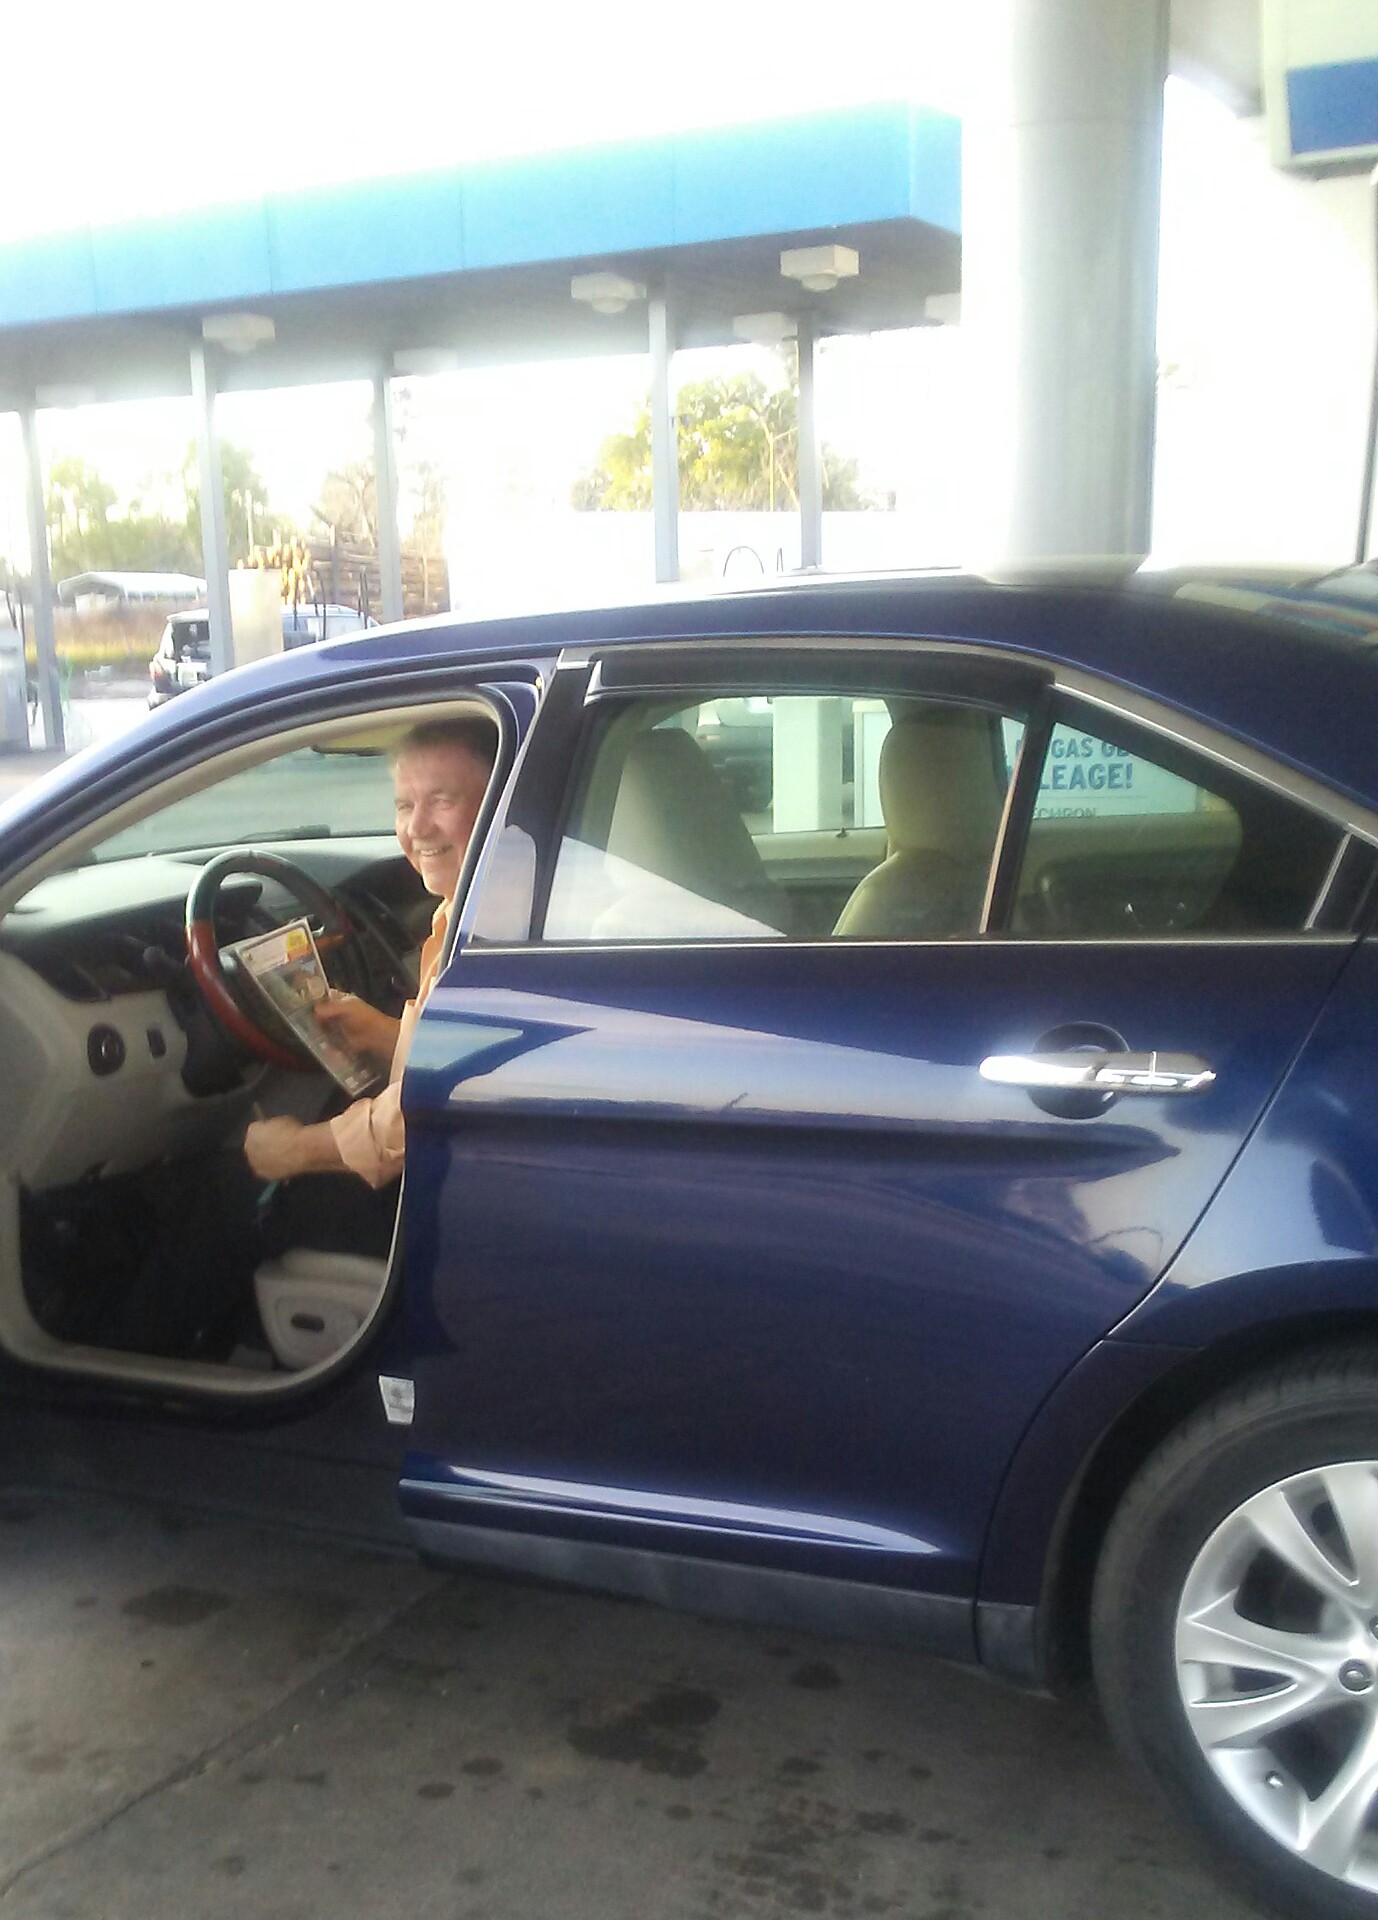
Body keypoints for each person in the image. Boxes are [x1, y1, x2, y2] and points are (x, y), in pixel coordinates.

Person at [243, 714, 496, 1193]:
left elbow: (434, 1104)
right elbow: (467, 1063)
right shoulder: (461, 910)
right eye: (405, 805)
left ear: (499, 806)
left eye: (442, 800)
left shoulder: (498, 937)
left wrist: (298, 1149)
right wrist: (385, 1035)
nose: (417, 827)